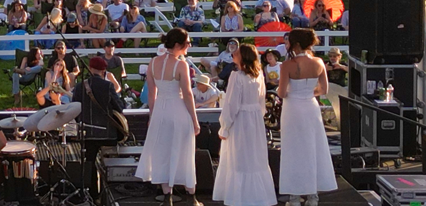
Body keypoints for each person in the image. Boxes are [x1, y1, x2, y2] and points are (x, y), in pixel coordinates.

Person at [135, 28, 202, 206]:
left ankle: (167, 196)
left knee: (162, 152)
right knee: (184, 151)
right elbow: (187, 94)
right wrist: (195, 120)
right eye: (187, 43)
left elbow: (151, 94)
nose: (189, 46)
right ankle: (191, 196)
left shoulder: (153, 62)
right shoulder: (181, 65)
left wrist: (152, 114)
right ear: (178, 45)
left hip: (160, 111)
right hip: (177, 109)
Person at [213, 43, 277, 206]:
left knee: (240, 158)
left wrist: (225, 126)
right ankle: (257, 196)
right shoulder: (259, 75)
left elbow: (231, 104)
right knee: (254, 157)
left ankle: (240, 197)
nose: (234, 54)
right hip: (255, 119)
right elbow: (261, 101)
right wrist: (257, 116)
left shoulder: (237, 76)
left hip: (241, 120)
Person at [279, 28, 336, 206]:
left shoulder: (287, 65)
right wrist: (308, 92)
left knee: (293, 150)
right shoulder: (319, 62)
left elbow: (281, 93)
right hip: (311, 106)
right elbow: (324, 90)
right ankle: (313, 196)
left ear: (296, 44)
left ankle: (294, 197)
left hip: (293, 108)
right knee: (313, 149)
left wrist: (294, 92)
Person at [72, 55, 126, 201]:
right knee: (109, 165)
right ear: (104, 71)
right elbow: (119, 107)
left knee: (89, 163)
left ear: (90, 68)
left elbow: (74, 109)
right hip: (107, 134)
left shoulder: (79, 86)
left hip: (87, 133)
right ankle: (109, 195)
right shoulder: (108, 86)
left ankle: (91, 195)